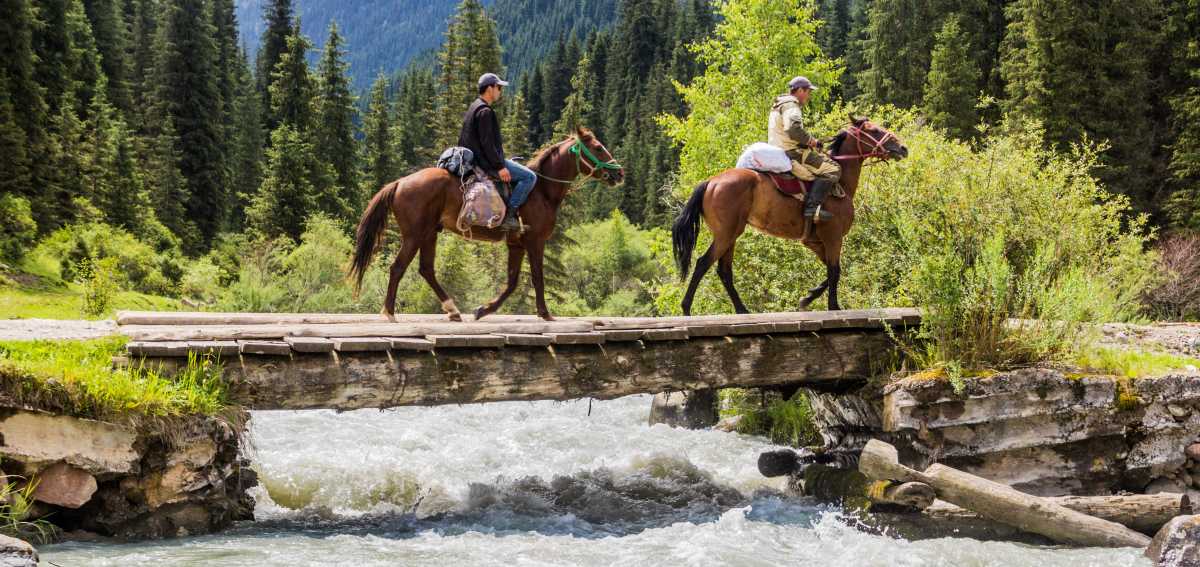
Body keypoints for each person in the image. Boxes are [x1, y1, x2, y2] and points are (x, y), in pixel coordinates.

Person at [458, 73, 536, 231]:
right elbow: (488, 144)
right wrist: (500, 166)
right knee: (529, 177)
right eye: (498, 87)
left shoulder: (475, 106)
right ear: (489, 88)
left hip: (476, 160)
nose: (500, 91)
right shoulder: (485, 112)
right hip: (486, 163)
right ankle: (509, 216)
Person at [767, 76, 841, 223]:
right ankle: (812, 208)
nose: (809, 96)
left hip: (778, 149)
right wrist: (812, 141)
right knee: (833, 169)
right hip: (793, 153)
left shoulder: (779, 104)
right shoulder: (791, 105)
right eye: (808, 92)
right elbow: (793, 130)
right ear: (800, 90)